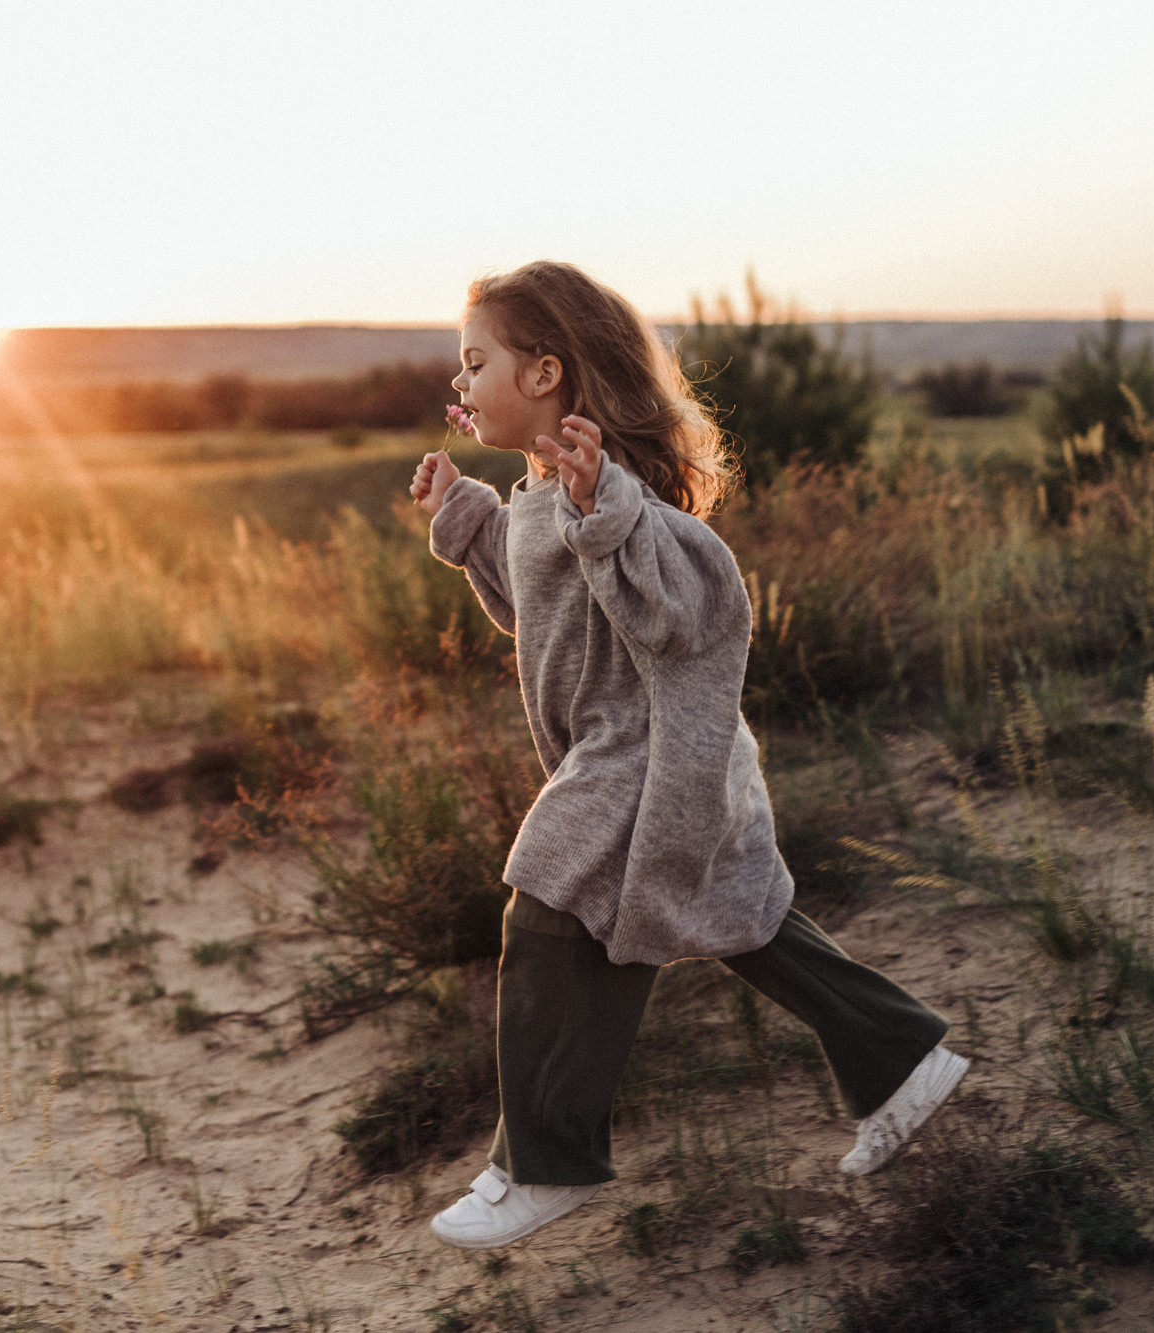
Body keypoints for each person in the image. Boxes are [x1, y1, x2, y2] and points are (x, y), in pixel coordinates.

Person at [407, 261, 967, 1250]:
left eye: (474, 360)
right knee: (742, 918)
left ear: (543, 373)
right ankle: (897, 1053)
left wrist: (603, 513)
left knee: (545, 903)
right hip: (627, 759)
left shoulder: (631, 511)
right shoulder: (545, 495)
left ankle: (542, 1160)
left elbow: (666, 615)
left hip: (650, 764)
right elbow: (534, 608)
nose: (460, 384)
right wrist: (466, 519)